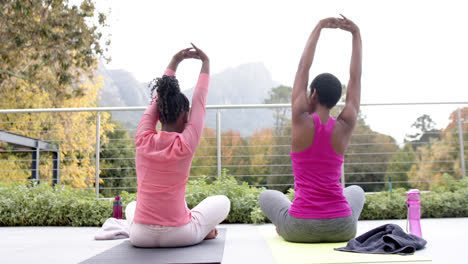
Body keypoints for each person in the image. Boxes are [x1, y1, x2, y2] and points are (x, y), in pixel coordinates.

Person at [259, 15, 364, 243]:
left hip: (300, 228)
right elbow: (356, 78)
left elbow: (302, 68)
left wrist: (319, 26)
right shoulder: (345, 124)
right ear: (337, 99)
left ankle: (283, 226)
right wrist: (356, 34)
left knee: (267, 195)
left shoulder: (301, 119)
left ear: (313, 94)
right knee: (356, 190)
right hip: (343, 228)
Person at [125, 44, 230, 247]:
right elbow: (200, 99)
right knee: (223, 201)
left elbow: (156, 100)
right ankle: (200, 229)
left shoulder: (142, 139)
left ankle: (189, 223)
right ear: (185, 116)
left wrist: (174, 62)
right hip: (181, 235)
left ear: (160, 115)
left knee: (132, 206)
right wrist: (206, 63)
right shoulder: (185, 144)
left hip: (140, 237)